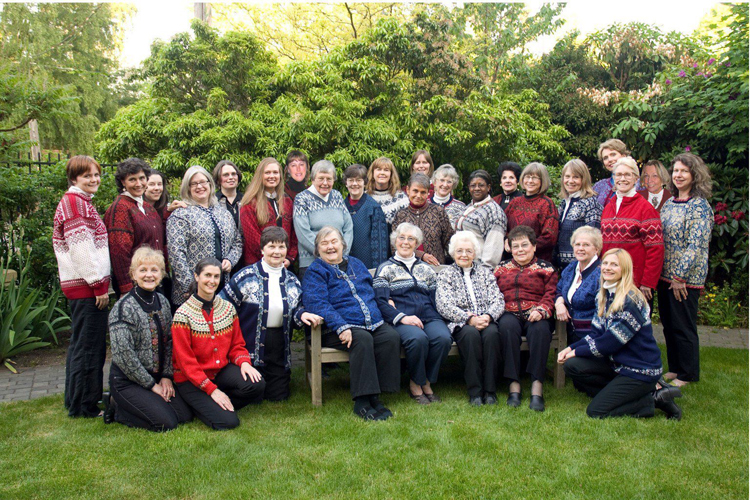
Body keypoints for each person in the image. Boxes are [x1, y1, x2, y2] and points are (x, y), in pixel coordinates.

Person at [559, 249, 683, 420]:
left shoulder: (631, 300)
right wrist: (570, 348)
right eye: (606, 264)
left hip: (639, 369)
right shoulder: (604, 295)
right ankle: (626, 394)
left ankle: (651, 401)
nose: (608, 268)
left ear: (624, 269)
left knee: (595, 411)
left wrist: (576, 351)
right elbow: (596, 334)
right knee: (572, 365)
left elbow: (609, 343)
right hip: (617, 363)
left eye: (614, 265)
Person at [302, 226, 401, 420]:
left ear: (342, 244)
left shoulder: (356, 263)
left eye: (334, 242)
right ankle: (362, 402)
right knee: (362, 339)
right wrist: (341, 326)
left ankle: (376, 395)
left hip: (371, 322)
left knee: (390, 337)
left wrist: (384, 303)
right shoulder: (315, 271)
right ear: (317, 249)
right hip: (333, 328)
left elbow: (370, 290)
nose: (330, 247)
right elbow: (318, 303)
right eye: (324, 243)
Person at [222, 227, 323, 401]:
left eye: (281, 247)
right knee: (254, 394)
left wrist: (302, 315)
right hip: (249, 347)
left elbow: (297, 308)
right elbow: (222, 305)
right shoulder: (245, 277)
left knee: (279, 396)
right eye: (271, 246)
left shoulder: (292, 281)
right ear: (262, 249)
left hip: (278, 347)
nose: (277, 252)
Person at [172, 258, 266, 430]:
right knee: (228, 422)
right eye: (207, 275)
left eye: (216, 276)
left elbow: (237, 345)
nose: (212, 281)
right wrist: (212, 390)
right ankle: (203, 404)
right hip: (191, 379)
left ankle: (218, 402)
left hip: (219, 371)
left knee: (257, 384)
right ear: (196, 277)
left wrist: (244, 363)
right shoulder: (182, 315)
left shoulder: (228, 308)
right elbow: (186, 363)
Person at [105, 247, 192, 431]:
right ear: (133, 275)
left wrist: (167, 377)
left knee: (184, 415)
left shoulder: (163, 302)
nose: (149, 275)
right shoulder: (123, 308)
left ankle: (145, 402)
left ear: (161, 274)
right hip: (127, 381)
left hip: (158, 377)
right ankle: (117, 407)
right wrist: (152, 386)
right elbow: (123, 356)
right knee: (166, 423)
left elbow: (170, 342)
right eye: (143, 270)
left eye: (154, 270)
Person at [53, 155, 111, 418]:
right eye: (87, 175)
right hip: (87, 288)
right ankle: (84, 406)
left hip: (84, 287)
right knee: (89, 347)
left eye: (96, 174)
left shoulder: (79, 202)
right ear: (74, 178)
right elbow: (81, 250)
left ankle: (75, 400)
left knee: (80, 345)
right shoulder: (75, 204)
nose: (94, 180)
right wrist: (98, 285)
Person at [373, 223, 453, 404]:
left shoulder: (426, 268)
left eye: (411, 239)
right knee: (418, 339)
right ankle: (416, 385)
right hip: (403, 318)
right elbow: (380, 301)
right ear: (395, 241)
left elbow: (436, 297)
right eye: (402, 238)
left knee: (443, 338)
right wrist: (402, 317)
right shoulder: (385, 268)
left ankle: (425, 380)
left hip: (429, 315)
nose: (406, 242)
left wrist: (441, 318)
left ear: (417, 243)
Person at [658, 153, 714, 387]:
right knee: (669, 324)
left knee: (683, 326)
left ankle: (688, 374)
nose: (678, 175)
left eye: (684, 171)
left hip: (685, 278)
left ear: (694, 175)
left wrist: (679, 276)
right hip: (664, 276)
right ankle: (676, 368)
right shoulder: (670, 202)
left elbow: (696, 245)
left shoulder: (699, 206)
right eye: (676, 171)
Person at [435, 231, 504, 405]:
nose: (464, 255)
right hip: (461, 322)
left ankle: (490, 391)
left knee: (492, 335)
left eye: (468, 251)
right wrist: (469, 319)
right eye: (459, 251)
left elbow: (498, 299)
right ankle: (475, 391)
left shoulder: (485, 273)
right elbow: (444, 304)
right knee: (471, 336)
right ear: (453, 253)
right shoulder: (446, 274)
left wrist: (488, 316)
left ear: (475, 253)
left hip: (486, 319)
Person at [495, 226, 557, 411]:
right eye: (516, 246)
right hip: (508, 312)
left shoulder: (546, 269)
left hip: (536, 312)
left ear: (534, 246)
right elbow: (493, 293)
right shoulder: (500, 269)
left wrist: (541, 310)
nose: (520, 250)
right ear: (510, 249)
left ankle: (537, 387)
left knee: (540, 330)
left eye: (524, 245)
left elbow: (551, 294)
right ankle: (514, 385)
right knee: (506, 327)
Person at [167, 165, 243, 306]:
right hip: (191, 293)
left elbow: (237, 242)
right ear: (187, 188)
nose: (200, 186)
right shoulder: (180, 215)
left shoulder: (223, 213)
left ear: (210, 184)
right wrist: (191, 287)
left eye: (203, 182)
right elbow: (176, 255)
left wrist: (230, 260)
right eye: (194, 183)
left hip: (221, 287)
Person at [600, 157, 664, 300]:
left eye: (627, 175)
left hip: (635, 281)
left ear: (636, 178)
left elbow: (656, 249)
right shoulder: (608, 207)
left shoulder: (645, 209)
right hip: (610, 279)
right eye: (619, 175)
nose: (622, 179)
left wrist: (648, 282)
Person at [104, 157, 166, 297]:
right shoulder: (120, 208)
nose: (139, 184)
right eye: (132, 179)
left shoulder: (147, 207)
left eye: (142, 178)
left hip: (154, 281)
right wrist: (126, 287)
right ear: (123, 182)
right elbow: (118, 251)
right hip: (135, 284)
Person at [293, 160, 353, 278]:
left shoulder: (337, 196)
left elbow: (348, 227)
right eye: (321, 178)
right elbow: (303, 233)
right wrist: (326, 253)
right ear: (313, 179)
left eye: (329, 179)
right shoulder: (301, 199)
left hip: (340, 262)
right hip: (312, 264)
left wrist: (341, 253)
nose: (325, 183)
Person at [239, 157, 297, 268]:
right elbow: (253, 238)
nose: (272, 176)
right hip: (257, 265)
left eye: (275, 172)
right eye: (267, 173)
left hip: (284, 264)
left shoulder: (287, 201)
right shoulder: (249, 204)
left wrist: (289, 258)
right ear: (260, 176)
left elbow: (294, 234)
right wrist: (273, 258)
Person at [555, 226, 603, 346]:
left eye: (586, 245)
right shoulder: (571, 268)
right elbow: (559, 289)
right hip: (572, 334)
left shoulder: (602, 274)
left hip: (594, 337)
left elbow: (602, 312)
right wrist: (559, 303)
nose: (580, 248)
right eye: (577, 244)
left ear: (596, 249)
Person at [393, 173, 454, 265]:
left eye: (423, 192)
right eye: (415, 191)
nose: (418, 195)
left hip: (436, 269)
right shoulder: (401, 215)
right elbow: (394, 246)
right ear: (408, 190)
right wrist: (420, 255)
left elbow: (449, 241)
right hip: (407, 270)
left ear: (428, 193)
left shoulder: (438, 212)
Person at [505, 162, 559, 262]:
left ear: (542, 181)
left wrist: (525, 248)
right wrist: (506, 240)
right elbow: (504, 226)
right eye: (527, 177)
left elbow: (550, 237)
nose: (530, 181)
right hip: (512, 260)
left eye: (535, 178)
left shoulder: (547, 204)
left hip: (537, 262)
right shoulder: (515, 202)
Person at [554, 159, 603, 268]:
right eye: (567, 177)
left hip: (582, 265)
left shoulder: (590, 203)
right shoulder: (563, 203)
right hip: (563, 266)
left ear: (583, 179)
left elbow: (594, 238)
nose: (570, 181)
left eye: (575, 177)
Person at [456, 169, 507, 268]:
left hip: (479, 268)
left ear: (488, 187)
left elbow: (494, 246)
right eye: (473, 185)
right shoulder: (469, 207)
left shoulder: (494, 212)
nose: (477, 188)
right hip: (463, 265)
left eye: (481, 185)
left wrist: (484, 270)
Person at [343, 164, 389, 269]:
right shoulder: (341, 206)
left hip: (367, 266)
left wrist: (377, 271)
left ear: (364, 182)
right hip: (344, 266)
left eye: (358, 180)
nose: (354, 184)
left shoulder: (373, 207)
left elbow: (380, 245)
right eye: (351, 180)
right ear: (346, 183)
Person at [593, 139, 640, 207]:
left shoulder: (640, 184)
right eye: (605, 158)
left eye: (613, 154)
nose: (610, 160)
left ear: (623, 155)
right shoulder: (599, 186)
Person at [366, 156, 409, 225]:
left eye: (386, 170)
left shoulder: (400, 198)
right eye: (379, 169)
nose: (382, 173)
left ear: (391, 174)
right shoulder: (365, 197)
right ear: (373, 173)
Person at [430, 164, 466, 229]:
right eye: (442, 180)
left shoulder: (461, 207)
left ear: (453, 184)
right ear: (435, 182)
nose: (445, 185)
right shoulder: (425, 205)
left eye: (449, 182)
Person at [212, 160, 243, 231]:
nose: (231, 177)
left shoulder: (247, 200)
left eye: (234, 174)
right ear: (218, 179)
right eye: (226, 175)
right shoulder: (212, 202)